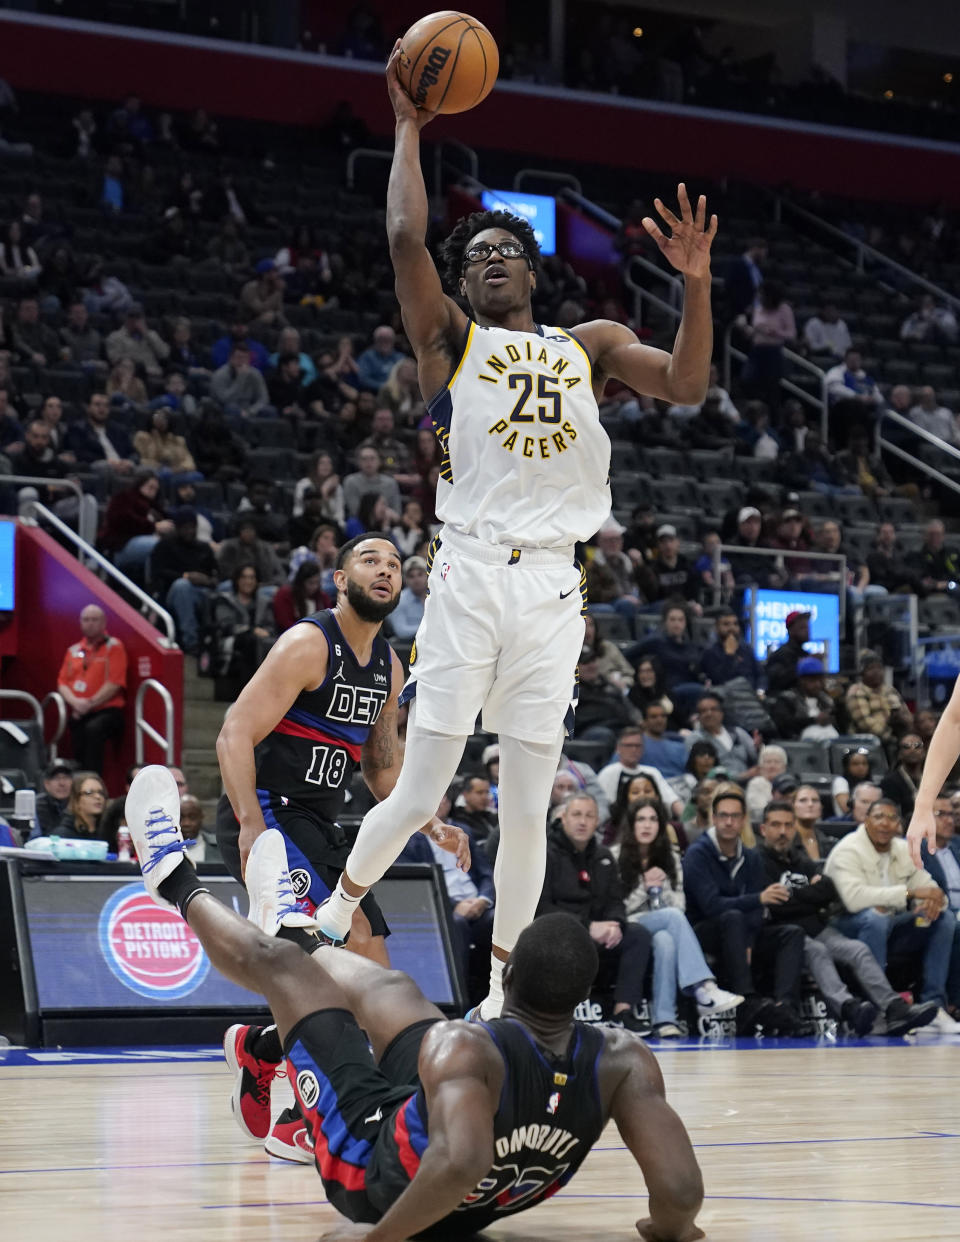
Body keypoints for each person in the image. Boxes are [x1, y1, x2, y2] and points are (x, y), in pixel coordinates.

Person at [312, 43, 717, 1029]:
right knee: (421, 790)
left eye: (506, 252)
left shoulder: (596, 347)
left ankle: (502, 998)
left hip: (553, 591)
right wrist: (409, 127)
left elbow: (692, 384)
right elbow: (408, 239)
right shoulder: (451, 342)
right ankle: (336, 910)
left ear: (533, 272)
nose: (490, 261)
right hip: (468, 578)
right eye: (475, 256)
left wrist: (697, 284)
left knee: (531, 801)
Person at [124, 768, 707, 1242]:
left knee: (286, 976)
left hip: (376, 1176)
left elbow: (459, 1163)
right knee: (392, 988)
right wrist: (665, 1228)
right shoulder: (624, 1059)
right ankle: (292, 929)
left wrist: (376, 1239)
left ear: (510, 975)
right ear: (583, 995)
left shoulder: (469, 1047)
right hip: (462, 1180)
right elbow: (681, 1195)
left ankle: (171, 877)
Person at [214, 535, 469, 1159]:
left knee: (372, 971)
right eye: (370, 561)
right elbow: (233, 733)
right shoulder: (308, 643)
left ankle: (263, 1049)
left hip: (322, 827)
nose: (385, 570)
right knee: (341, 956)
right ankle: (305, 1121)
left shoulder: (389, 665)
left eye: (394, 565)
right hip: (271, 814)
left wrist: (429, 822)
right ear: (339, 578)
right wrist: (249, 824)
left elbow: (383, 769)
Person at [756, 800, 938, 1036]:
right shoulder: (757, 861)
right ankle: (849, 1008)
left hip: (816, 928)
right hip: (784, 934)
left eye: (788, 825)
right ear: (763, 829)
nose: (783, 832)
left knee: (857, 949)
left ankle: (894, 1008)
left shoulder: (799, 858)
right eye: (776, 825)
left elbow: (828, 890)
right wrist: (807, 896)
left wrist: (794, 896)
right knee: (817, 952)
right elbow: (777, 907)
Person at [682, 785, 807, 1035]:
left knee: (792, 933)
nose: (729, 822)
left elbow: (756, 911)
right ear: (714, 818)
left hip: (741, 933)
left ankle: (786, 1007)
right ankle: (747, 999)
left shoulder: (750, 857)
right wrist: (758, 899)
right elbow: (711, 906)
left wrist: (748, 940)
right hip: (704, 933)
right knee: (732, 915)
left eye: (735, 816)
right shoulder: (697, 854)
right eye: (723, 816)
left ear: (743, 820)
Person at [614, 796, 742, 1037]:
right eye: (641, 819)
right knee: (671, 918)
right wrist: (644, 885)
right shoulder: (614, 854)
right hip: (629, 925)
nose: (647, 825)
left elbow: (679, 905)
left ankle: (664, 1020)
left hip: (663, 923)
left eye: (653, 819)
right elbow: (616, 906)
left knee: (666, 941)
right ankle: (704, 987)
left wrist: (661, 890)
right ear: (631, 824)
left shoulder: (671, 857)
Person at [827, 799, 959, 1032]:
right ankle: (882, 1007)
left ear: (899, 824)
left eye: (891, 818)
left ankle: (934, 1004)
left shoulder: (902, 848)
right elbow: (854, 899)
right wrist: (910, 894)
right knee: (873, 918)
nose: (885, 824)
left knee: (944, 918)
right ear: (866, 820)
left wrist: (932, 901)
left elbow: (929, 888)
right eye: (878, 817)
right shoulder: (848, 849)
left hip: (890, 924)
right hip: (845, 926)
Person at [538, 793, 653, 1034]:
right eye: (577, 815)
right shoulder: (545, 854)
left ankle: (623, 1012)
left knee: (638, 934)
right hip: (562, 932)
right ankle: (559, 1015)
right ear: (563, 818)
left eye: (589, 816)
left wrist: (616, 925)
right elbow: (542, 907)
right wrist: (587, 926)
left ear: (597, 821)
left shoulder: (603, 856)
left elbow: (615, 901)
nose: (583, 822)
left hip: (600, 934)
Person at [56, 605, 127, 775]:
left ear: (103, 623)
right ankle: (79, 782)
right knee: (74, 729)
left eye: (94, 620)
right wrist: (76, 703)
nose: (90, 624)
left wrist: (89, 704)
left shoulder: (114, 647)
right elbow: (62, 683)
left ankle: (94, 781)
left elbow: (114, 683)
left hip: (108, 710)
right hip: (79, 710)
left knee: (93, 729)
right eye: (86, 620)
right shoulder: (73, 650)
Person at [150, 508, 218, 654]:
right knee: (182, 586)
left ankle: (220, 642)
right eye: (185, 527)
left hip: (202, 590)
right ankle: (191, 642)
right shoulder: (165, 545)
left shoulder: (204, 548)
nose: (189, 531)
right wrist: (186, 576)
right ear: (178, 528)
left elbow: (216, 574)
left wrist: (207, 580)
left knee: (227, 587)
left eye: (192, 527)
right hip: (171, 593)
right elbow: (158, 573)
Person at [598, 728, 683, 818]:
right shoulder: (607, 773)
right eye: (629, 745)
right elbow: (602, 807)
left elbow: (673, 801)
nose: (634, 749)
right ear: (618, 748)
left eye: (638, 746)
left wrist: (688, 823)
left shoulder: (652, 772)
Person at [845, 654, 913, 749]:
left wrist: (908, 731)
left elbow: (907, 715)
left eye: (879, 668)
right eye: (871, 668)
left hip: (897, 737)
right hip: (868, 742)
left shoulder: (890, 690)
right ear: (862, 673)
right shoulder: (857, 691)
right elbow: (866, 724)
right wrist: (892, 739)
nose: (876, 672)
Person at [685, 692, 758, 779]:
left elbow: (755, 757)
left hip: (749, 781)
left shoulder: (738, 732)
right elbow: (697, 770)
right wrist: (742, 776)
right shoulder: (694, 739)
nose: (709, 713)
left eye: (713, 709)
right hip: (717, 784)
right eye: (703, 711)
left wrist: (759, 749)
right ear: (698, 716)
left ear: (722, 712)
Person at [769, 656, 839, 742]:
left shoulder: (826, 700)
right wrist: (813, 721)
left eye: (820, 680)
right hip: (798, 746)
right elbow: (783, 724)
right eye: (812, 680)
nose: (817, 684)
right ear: (801, 680)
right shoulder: (788, 699)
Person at [700, 608, 758, 689]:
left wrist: (760, 690)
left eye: (735, 624)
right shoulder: (709, 652)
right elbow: (718, 680)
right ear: (717, 628)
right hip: (725, 695)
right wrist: (729, 655)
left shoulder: (747, 649)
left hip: (750, 693)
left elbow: (760, 675)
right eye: (726, 624)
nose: (732, 628)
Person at [271, 561, 331, 633]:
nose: (315, 587)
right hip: (291, 636)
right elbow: (284, 622)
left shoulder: (322, 597)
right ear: (301, 582)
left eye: (317, 582)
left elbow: (329, 620)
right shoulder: (284, 595)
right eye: (311, 583)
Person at [764, 609, 811, 694]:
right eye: (802, 627)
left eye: (807, 627)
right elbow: (775, 683)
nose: (807, 631)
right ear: (790, 630)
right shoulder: (780, 655)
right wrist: (802, 666)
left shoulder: (806, 654)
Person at [881, 734, 926, 820]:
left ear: (924, 752)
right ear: (899, 754)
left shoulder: (931, 780)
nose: (912, 750)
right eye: (906, 747)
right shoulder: (889, 782)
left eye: (917, 746)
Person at [56, 771, 109, 842]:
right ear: (76, 800)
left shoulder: (109, 832)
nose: (98, 796)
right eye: (89, 792)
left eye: (101, 792)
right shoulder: (63, 836)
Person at [638, 702, 687, 778]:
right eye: (654, 717)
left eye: (663, 716)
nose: (659, 720)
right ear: (644, 721)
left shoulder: (679, 745)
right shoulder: (635, 745)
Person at [744, 744, 788, 825]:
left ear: (784, 767)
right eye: (768, 762)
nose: (772, 766)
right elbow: (759, 813)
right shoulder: (756, 783)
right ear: (760, 768)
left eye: (776, 762)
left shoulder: (789, 783)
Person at [388, 555, 429, 640]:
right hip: (408, 648)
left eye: (420, 574)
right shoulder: (398, 600)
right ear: (405, 580)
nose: (416, 579)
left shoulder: (437, 597)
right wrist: (430, 628)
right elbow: (401, 631)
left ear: (428, 576)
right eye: (411, 576)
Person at [34, 758, 76, 837]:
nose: (62, 783)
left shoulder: (79, 805)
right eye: (56, 778)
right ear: (47, 784)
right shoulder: (36, 806)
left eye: (66, 778)